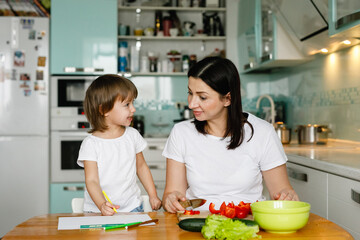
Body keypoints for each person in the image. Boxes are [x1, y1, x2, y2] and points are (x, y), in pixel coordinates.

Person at [162, 57, 299, 213]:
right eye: (190, 93)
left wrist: (287, 196)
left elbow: (281, 190)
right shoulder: (181, 133)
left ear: (227, 99)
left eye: (202, 97)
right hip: (195, 221)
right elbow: (172, 192)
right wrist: (171, 199)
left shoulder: (263, 132)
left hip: (249, 223)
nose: (192, 104)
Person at [77, 74, 162, 215]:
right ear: (104, 110)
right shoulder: (91, 144)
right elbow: (91, 180)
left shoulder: (132, 135)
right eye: (127, 104)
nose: (133, 109)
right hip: (98, 211)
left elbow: (141, 167)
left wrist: (153, 195)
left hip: (132, 208)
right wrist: (101, 204)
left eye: (133, 103)